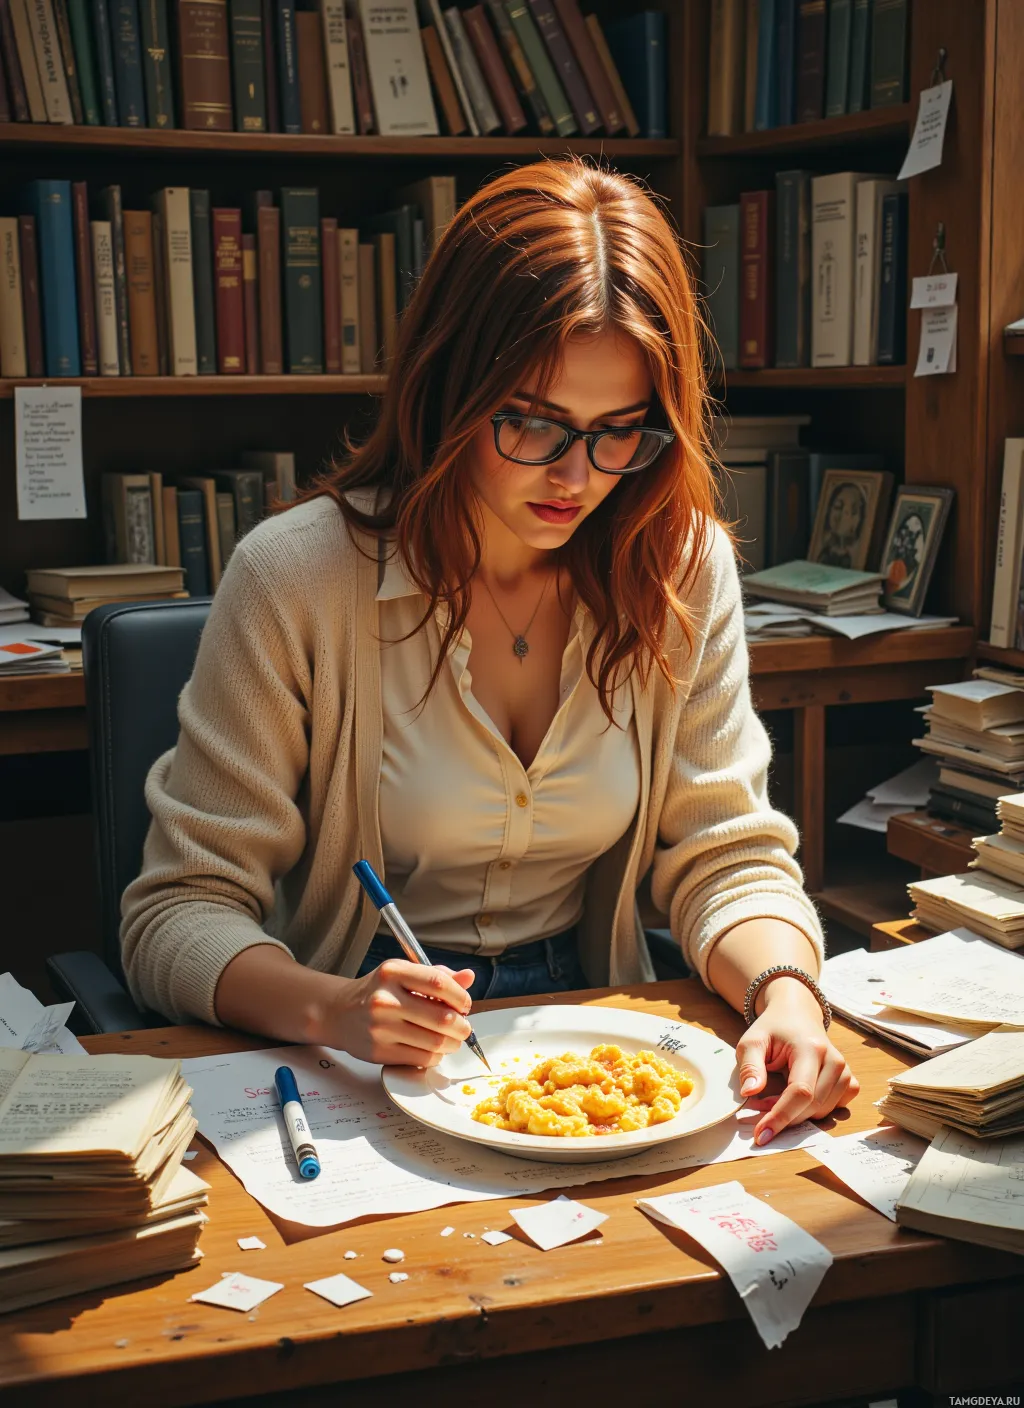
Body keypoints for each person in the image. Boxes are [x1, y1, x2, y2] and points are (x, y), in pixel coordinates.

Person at [121, 161, 858, 1145]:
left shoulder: (676, 566)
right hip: (352, 1057)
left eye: (616, 432)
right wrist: (332, 1007)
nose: (574, 475)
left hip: (599, 1034)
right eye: (532, 422)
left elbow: (725, 854)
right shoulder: (297, 578)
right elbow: (178, 909)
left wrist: (787, 994)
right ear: (448, 390)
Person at [817, 481, 867, 568]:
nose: (845, 515)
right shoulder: (823, 553)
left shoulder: (855, 557)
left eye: (854, 511)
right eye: (838, 506)